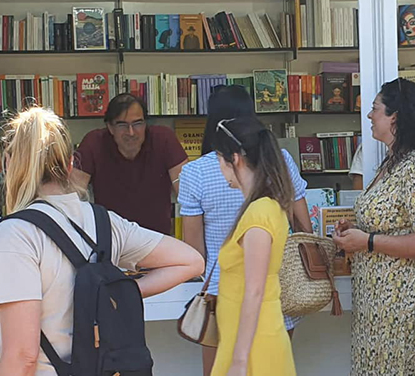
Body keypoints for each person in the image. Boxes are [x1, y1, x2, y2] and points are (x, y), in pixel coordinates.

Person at [0, 107, 204, 376]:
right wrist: (118, 291)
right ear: (70, 164)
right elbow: (191, 261)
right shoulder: (104, 221)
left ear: (8, 163)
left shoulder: (16, 234)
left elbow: (23, 356)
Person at [178, 85, 311, 376]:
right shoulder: (281, 163)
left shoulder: (194, 173)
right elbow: (304, 227)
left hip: (228, 303)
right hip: (279, 299)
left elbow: (194, 253)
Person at [333, 78, 415, 375]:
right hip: (377, 307)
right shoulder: (390, 164)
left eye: (375, 109)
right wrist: (354, 231)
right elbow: (390, 223)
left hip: (401, 306)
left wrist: (368, 241)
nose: (370, 116)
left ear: (394, 116)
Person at [210, 116, 297, 376]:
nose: (220, 168)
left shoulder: (259, 212)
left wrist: (239, 361)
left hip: (253, 344)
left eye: (220, 160)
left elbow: (254, 291)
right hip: (248, 338)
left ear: (234, 158)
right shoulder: (265, 206)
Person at [73, 93, 188, 234]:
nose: (131, 132)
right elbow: (73, 196)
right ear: (110, 127)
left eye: (137, 123)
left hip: (157, 239)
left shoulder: (164, 139)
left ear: (146, 124)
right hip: (111, 239)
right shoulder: (94, 143)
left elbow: (187, 193)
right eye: (122, 125)